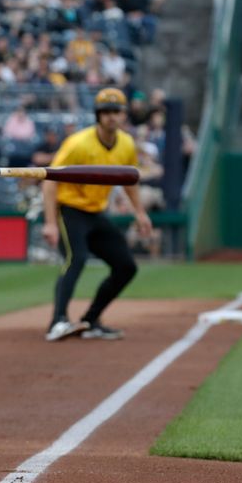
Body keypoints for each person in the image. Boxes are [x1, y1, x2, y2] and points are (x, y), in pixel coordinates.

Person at [42, 88, 152, 341]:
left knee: (126, 266)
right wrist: (50, 223)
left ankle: (90, 320)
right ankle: (57, 322)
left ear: (124, 115)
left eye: (116, 111)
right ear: (98, 115)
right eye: (106, 112)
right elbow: (49, 180)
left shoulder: (126, 143)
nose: (111, 117)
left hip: (96, 212)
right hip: (71, 209)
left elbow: (129, 180)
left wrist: (140, 213)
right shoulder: (78, 143)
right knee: (76, 258)